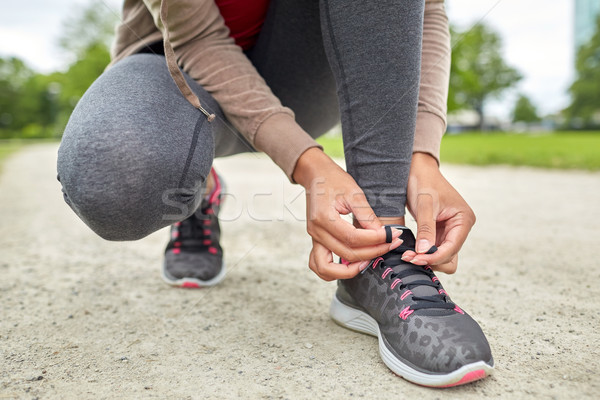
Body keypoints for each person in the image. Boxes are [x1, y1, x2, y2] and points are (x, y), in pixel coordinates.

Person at [57, 0, 493, 387]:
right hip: (179, 68)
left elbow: (427, 10)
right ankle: (197, 191)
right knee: (113, 174)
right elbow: (200, 39)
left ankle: (378, 248)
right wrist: (308, 164)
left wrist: (420, 152)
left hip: (307, 73)